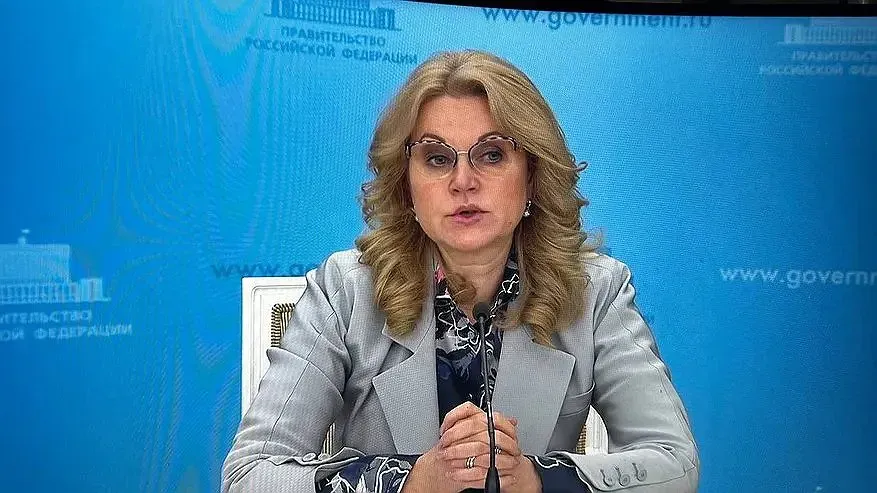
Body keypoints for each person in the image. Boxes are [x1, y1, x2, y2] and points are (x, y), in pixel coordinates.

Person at [221, 49, 699, 493]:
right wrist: (410, 482)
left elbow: (675, 463)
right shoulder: (344, 292)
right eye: (437, 158)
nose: (463, 181)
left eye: (492, 154)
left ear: (532, 175)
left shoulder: (596, 292)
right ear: (407, 186)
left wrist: (537, 479)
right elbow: (250, 475)